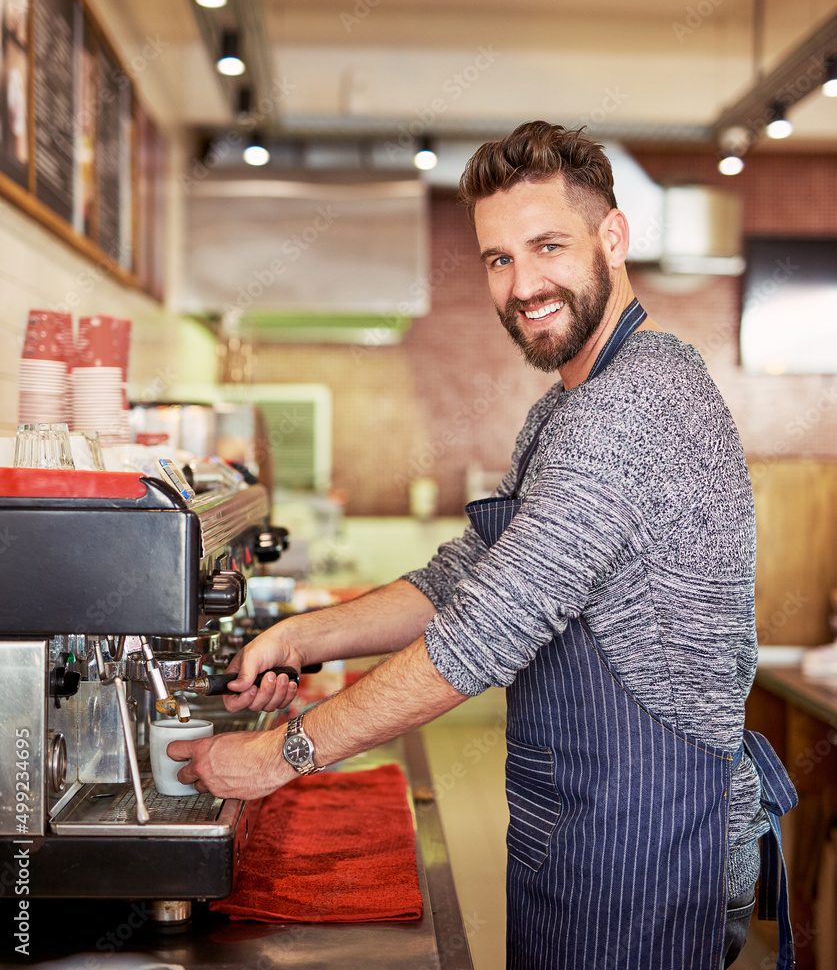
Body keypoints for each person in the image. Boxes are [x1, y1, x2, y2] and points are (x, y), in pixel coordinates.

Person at [171, 121, 795, 970]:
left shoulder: (632, 407)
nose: (522, 283)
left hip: (642, 841)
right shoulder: (568, 407)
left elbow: (485, 631)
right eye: (499, 258)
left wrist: (279, 757)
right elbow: (465, 574)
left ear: (611, 238)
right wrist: (301, 637)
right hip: (579, 823)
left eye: (546, 246)